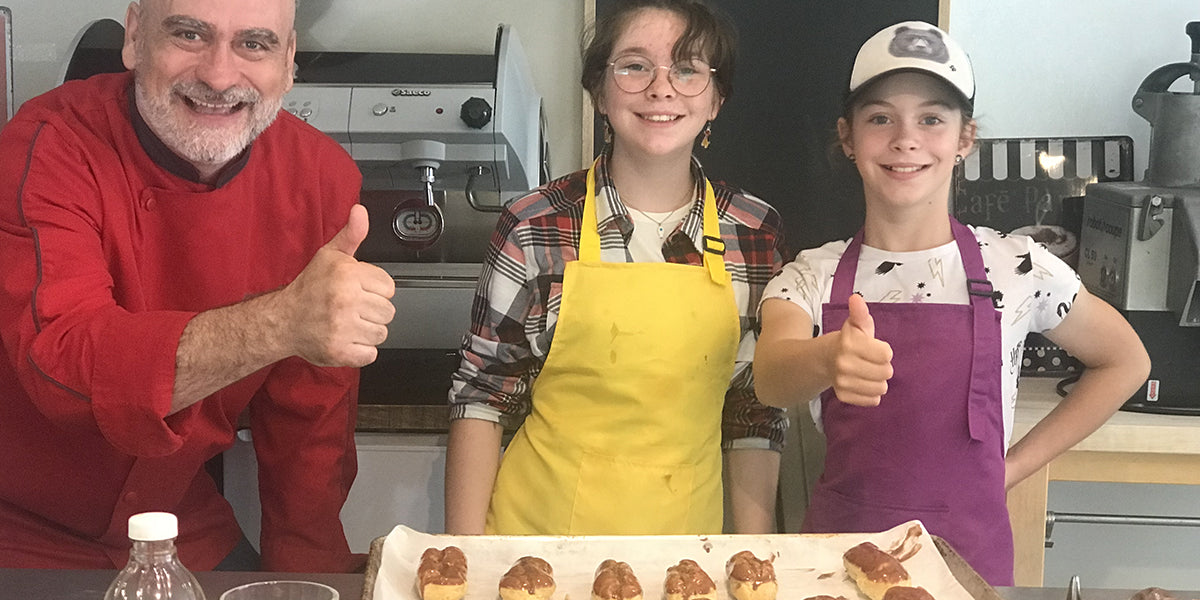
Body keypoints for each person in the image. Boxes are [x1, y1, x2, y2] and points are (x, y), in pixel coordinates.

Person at [0, 0, 396, 572]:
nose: (218, 75)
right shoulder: (47, 147)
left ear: (288, 62)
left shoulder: (321, 178)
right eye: (189, 34)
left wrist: (310, 576)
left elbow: (309, 425)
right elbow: (64, 368)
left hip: (181, 527)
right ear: (136, 36)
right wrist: (281, 323)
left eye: (253, 45)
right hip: (20, 528)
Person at [753, 21, 1150, 586]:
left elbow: (1127, 361)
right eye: (880, 117)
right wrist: (825, 359)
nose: (905, 139)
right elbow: (770, 377)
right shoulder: (813, 275)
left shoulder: (1018, 268)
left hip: (968, 569)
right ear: (848, 137)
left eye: (932, 119)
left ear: (965, 139)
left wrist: (1013, 469)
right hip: (836, 567)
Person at [444, 0, 788, 536]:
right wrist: (463, 560)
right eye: (634, 65)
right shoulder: (534, 226)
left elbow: (751, 415)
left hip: (683, 560)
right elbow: (482, 397)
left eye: (688, 68)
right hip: (537, 550)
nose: (661, 87)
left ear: (716, 100)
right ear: (599, 93)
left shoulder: (755, 233)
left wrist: (755, 563)